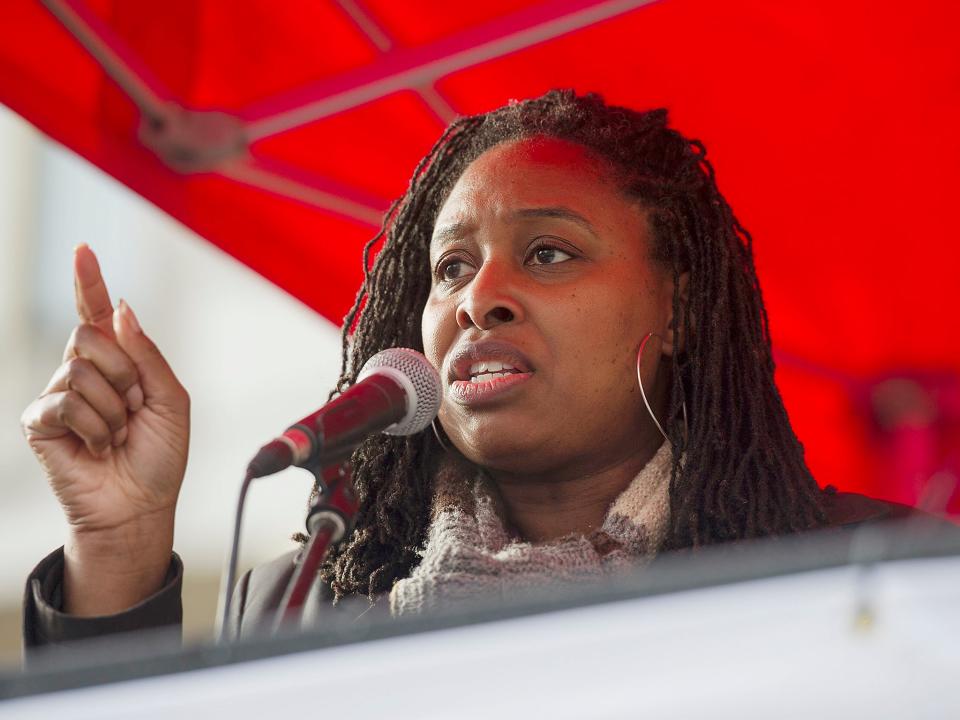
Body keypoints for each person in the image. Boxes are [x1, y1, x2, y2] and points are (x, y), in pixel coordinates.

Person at [21, 90, 923, 646]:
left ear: (679, 308)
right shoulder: (295, 602)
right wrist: (118, 543)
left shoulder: (874, 575)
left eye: (550, 254)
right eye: (451, 267)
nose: (476, 299)